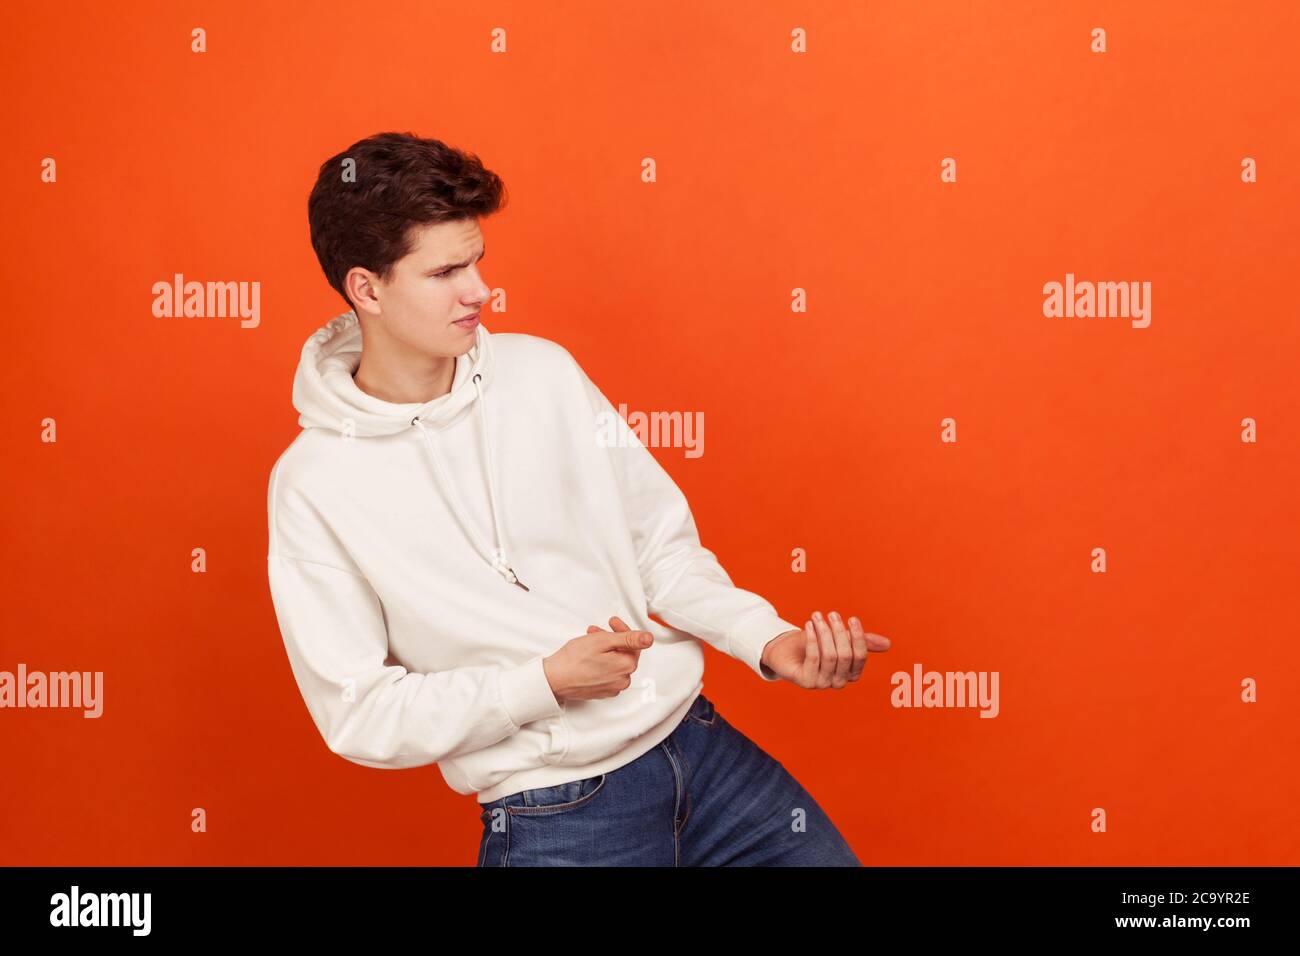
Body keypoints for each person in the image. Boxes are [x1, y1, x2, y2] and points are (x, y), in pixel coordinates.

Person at [266, 131, 893, 866]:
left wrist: (767, 640)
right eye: (445, 272)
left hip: (699, 749)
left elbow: (659, 549)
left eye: (477, 261)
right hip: (560, 814)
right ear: (366, 288)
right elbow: (361, 714)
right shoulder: (314, 485)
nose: (479, 291)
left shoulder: (545, 375)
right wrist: (541, 685)